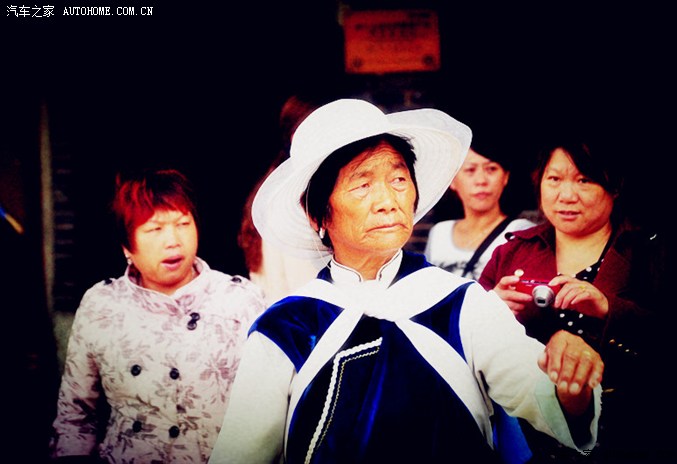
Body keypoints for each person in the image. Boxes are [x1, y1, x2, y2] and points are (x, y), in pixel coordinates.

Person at [208, 99, 604, 464]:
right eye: (362, 185)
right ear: (317, 215)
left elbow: (542, 398)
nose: (387, 201)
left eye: (398, 179)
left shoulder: (459, 303)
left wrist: (571, 383)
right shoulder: (286, 328)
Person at [49, 168, 266, 463]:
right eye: (155, 229)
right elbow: (76, 415)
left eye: (183, 224)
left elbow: (269, 406)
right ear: (127, 245)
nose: (173, 240)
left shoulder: (240, 299)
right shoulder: (102, 306)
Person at [478, 136, 669, 462]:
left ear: (614, 187)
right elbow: (469, 342)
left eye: (584, 180)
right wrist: (491, 306)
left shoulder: (648, 252)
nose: (566, 195)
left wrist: (609, 309)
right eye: (554, 179)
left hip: (633, 435)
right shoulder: (512, 251)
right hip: (528, 440)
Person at [238, 95, 328, 306]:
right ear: (296, 135)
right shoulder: (290, 195)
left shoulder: (282, 185)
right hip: (297, 314)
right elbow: (300, 289)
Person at [424, 124, 538, 280]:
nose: (481, 180)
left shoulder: (521, 232)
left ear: (505, 177)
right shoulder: (439, 232)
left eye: (491, 169)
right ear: (453, 180)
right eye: (470, 170)